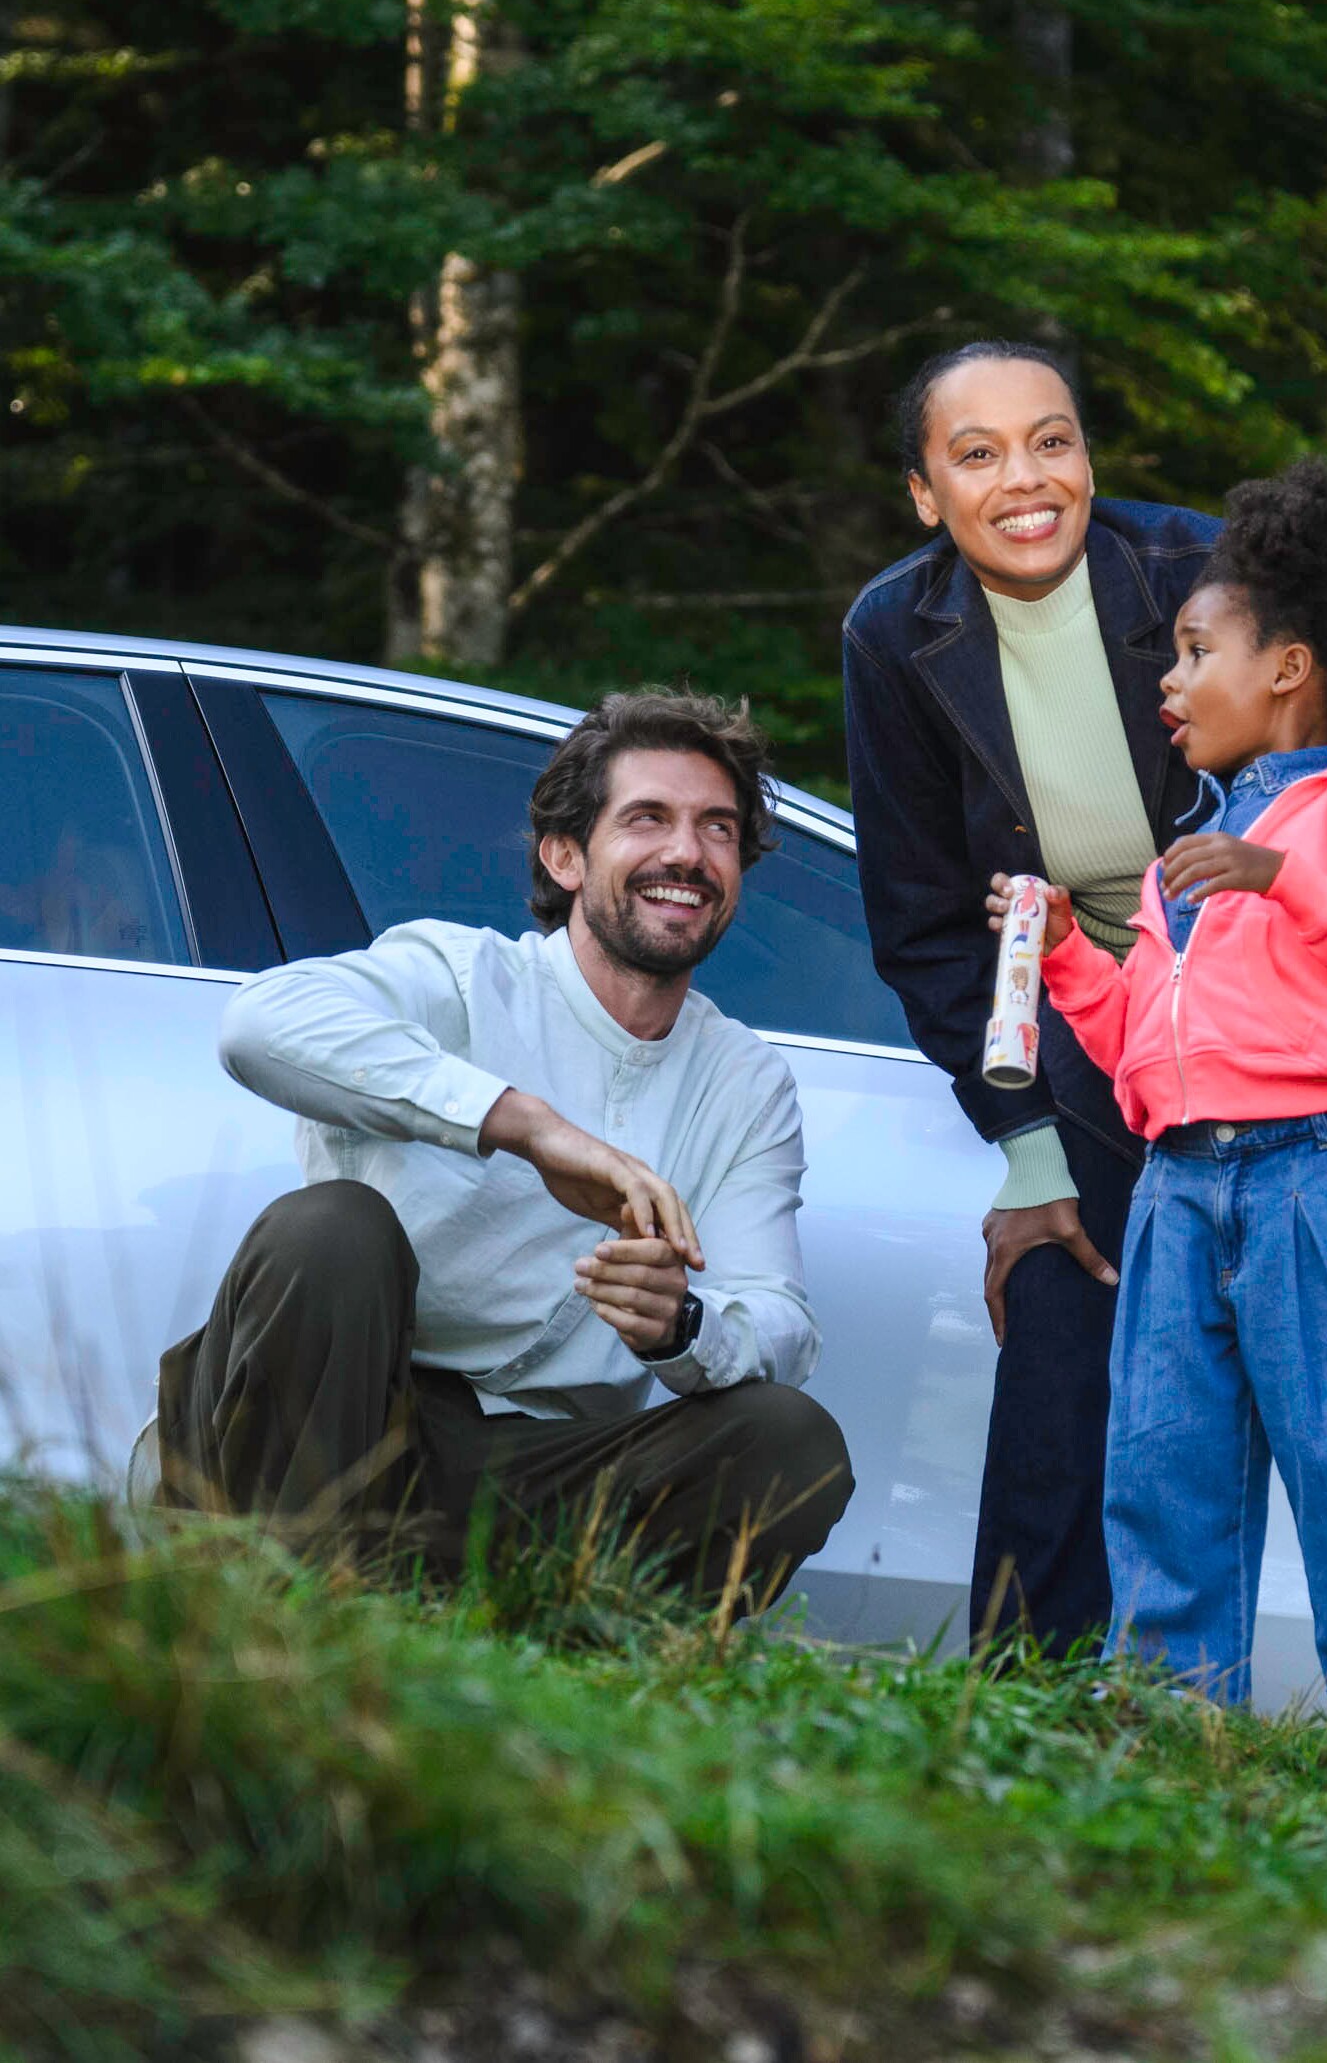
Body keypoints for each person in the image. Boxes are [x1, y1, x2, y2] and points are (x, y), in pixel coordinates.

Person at [843, 340, 1327, 1657]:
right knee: (1082, 1388)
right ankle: (1049, 1727)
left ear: (1091, 453)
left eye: (1054, 438)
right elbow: (925, 925)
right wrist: (1025, 1147)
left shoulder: (1184, 569)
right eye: (977, 452)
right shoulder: (895, 633)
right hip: (1123, 1045)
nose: (1026, 476)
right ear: (927, 492)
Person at [157, 688, 853, 1611]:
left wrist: (683, 1326)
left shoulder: (747, 1082)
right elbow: (259, 1023)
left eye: (717, 828)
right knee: (330, 1228)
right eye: (647, 818)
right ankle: (271, 1634)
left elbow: (780, 1322)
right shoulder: (461, 974)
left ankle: (583, 1696)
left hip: (530, 1475)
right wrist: (524, 1125)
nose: (687, 852)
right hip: (329, 1431)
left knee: (790, 1440)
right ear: (564, 855)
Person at [997, 460, 1327, 1708]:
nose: (1168, 680)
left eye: (1195, 650)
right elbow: (1138, 1049)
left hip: (1312, 1173)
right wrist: (1063, 951)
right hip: (1175, 1185)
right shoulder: (1189, 854)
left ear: (1287, 668)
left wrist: (1278, 878)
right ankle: (1171, 1718)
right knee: (1162, 1468)